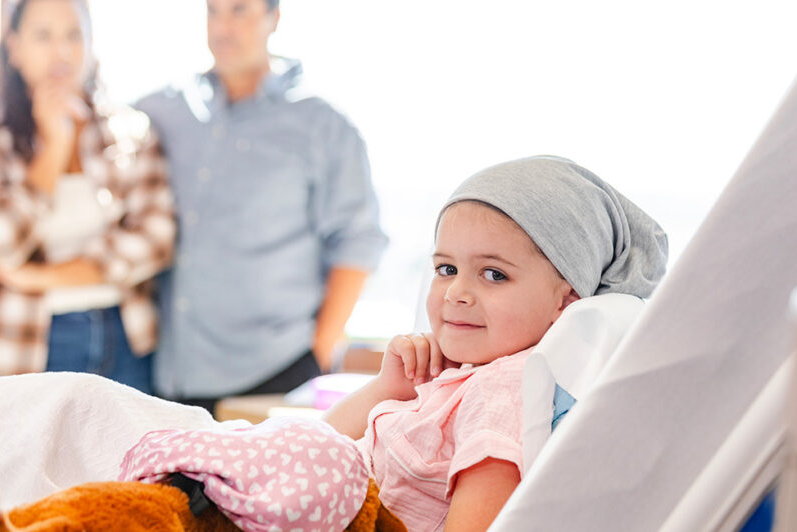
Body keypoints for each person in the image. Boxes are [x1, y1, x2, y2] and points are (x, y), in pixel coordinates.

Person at [118, 155, 669, 531]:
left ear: (566, 301)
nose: (457, 294)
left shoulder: (506, 387)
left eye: (494, 275)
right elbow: (318, 439)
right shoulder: (453, 376)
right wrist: (388, 388)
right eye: (446, 268)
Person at [136, 0, 388, 412]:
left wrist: (318, 354)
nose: (223, 26)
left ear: (274, 18)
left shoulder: (323, 125)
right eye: (213, 11)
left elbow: (358, 242)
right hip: (169, 377)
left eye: (240, 10)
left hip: (275, 373)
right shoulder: (164, 111)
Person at [0, 0, 174, 393]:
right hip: (21, 348)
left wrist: (35, 277)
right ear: (13, 47)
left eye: (73, 35)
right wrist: (54, 146)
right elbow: (4, 241)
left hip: (123, 339)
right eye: (43, 35)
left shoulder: (129, 130)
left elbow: (155, 241)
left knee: (125, 455)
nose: (61, 52)